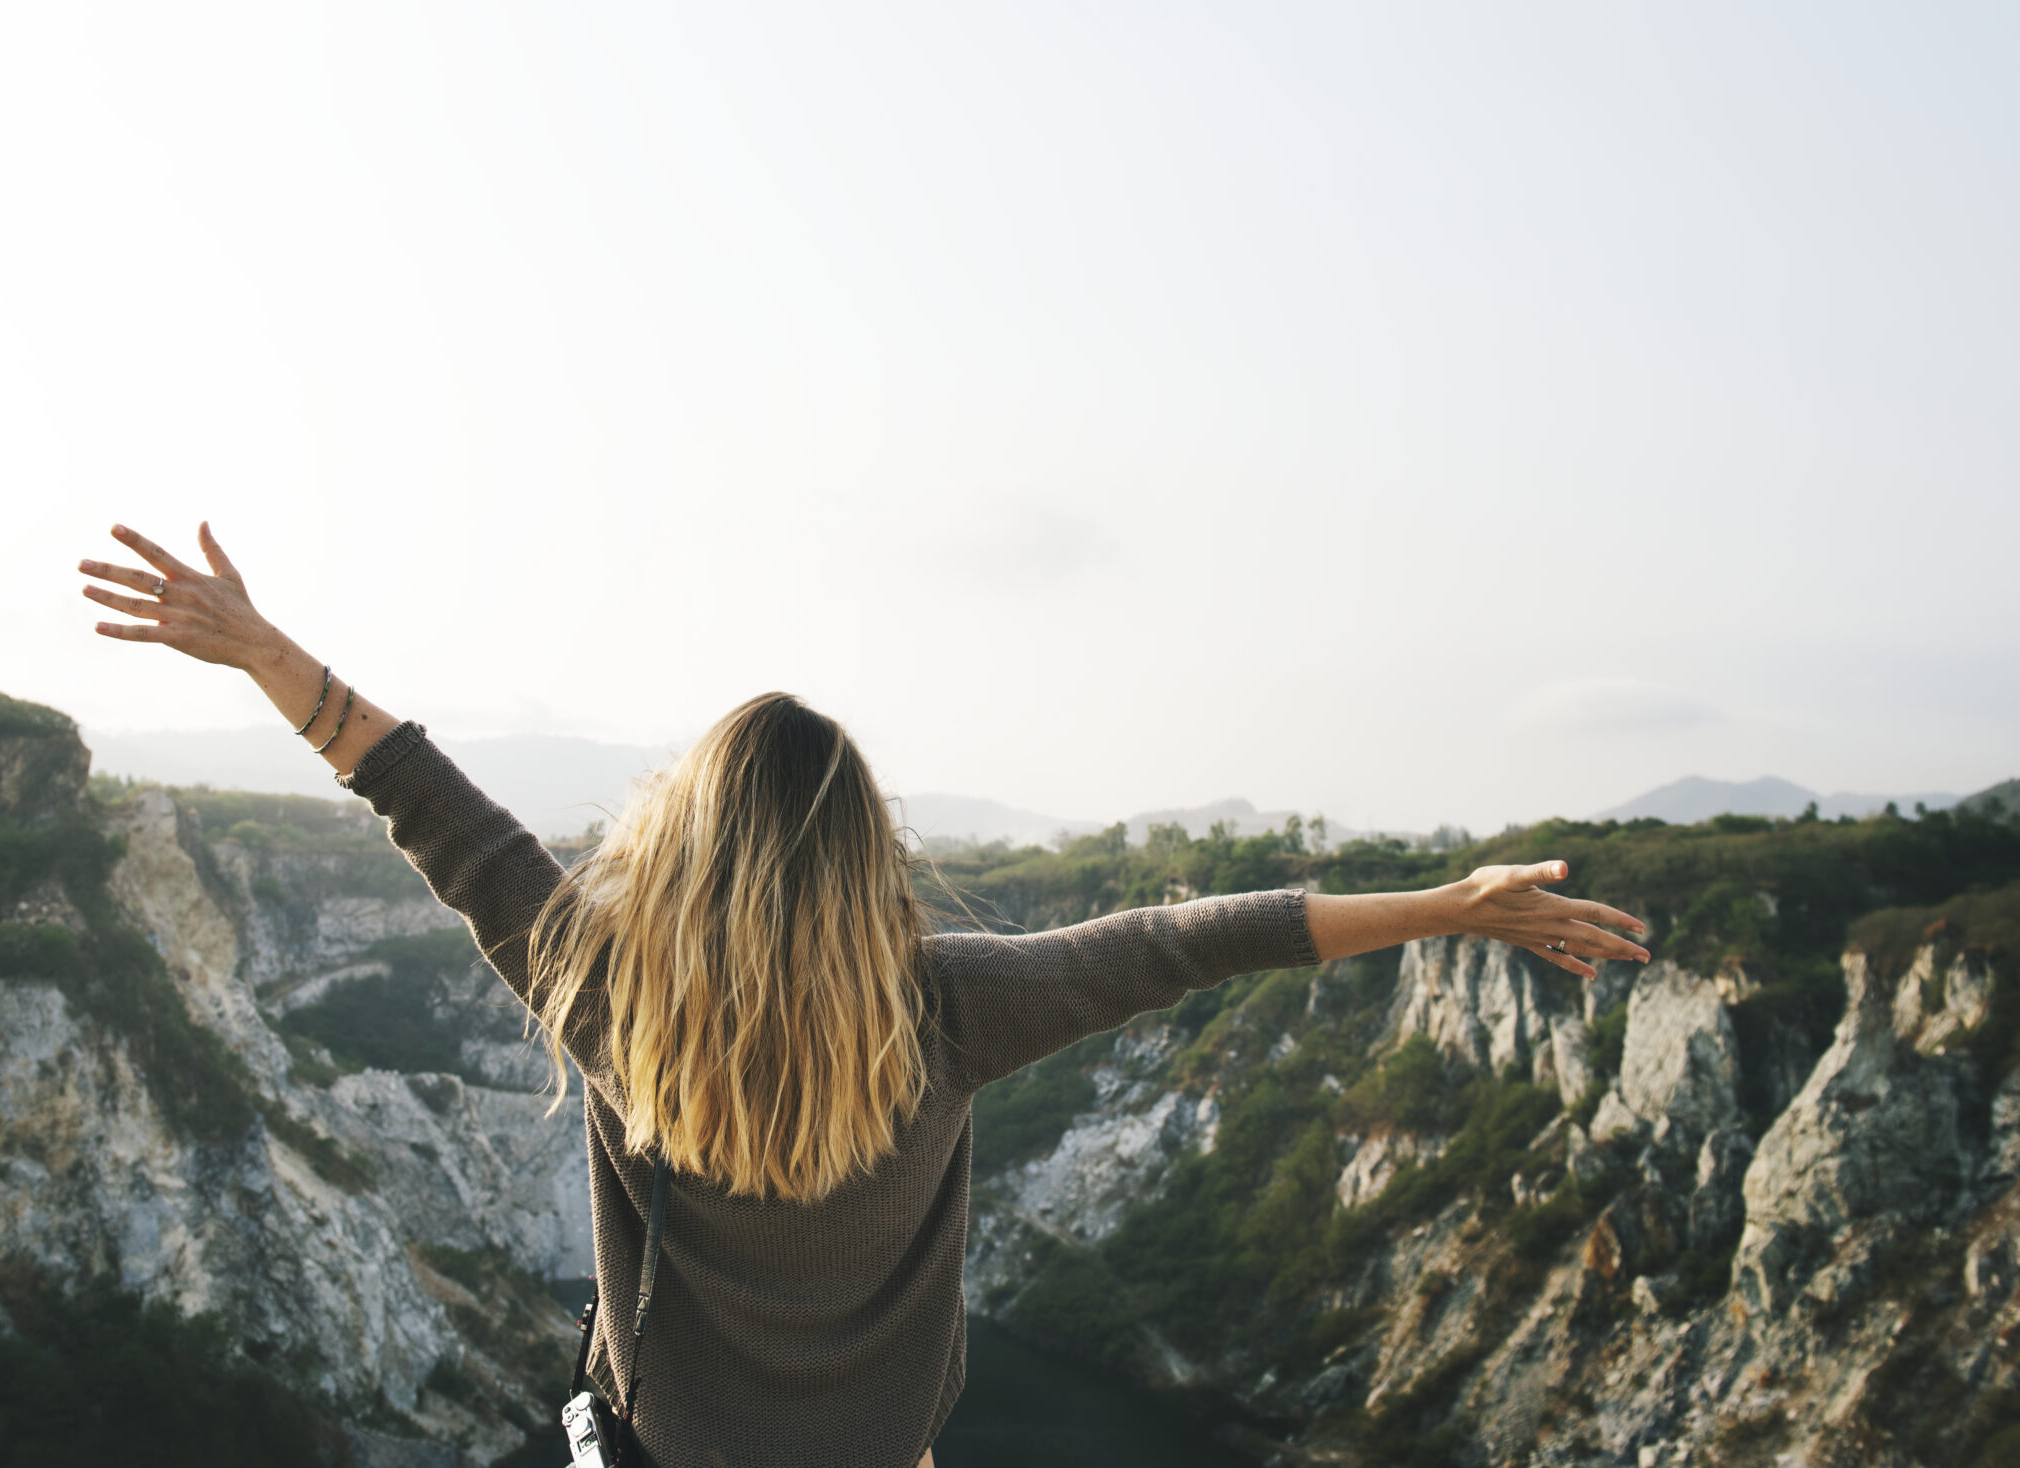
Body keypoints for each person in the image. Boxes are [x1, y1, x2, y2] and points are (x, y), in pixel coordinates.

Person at [81, 522, 1651, 1468]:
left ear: (679, 847)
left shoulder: (608, 992)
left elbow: (427, 803)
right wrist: (1450, 906)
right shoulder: (948, 1008)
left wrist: (269, 653)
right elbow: (1195, 938)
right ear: (866, 857)